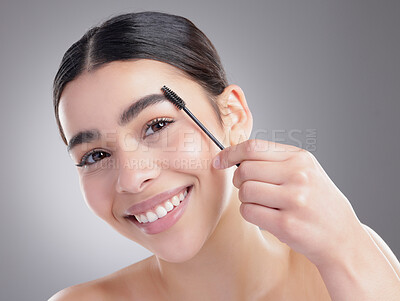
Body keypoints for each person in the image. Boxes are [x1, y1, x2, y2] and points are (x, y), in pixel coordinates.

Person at [49, 11, 400, 301]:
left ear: (234, 114)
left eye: (157, 125)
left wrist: (347, 249)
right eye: (95, 155)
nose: (130, 178)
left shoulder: (350, 261)